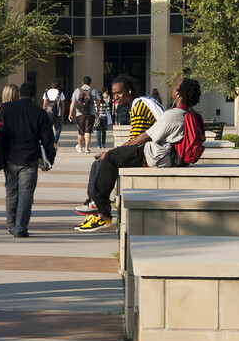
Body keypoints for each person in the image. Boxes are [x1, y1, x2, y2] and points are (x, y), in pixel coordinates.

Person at [76, 77, 202, 232]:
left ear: (180, 93)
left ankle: (102, 212)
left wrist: (115, 151)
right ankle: (98, 204)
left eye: (175, 88)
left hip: (153, 155)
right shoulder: (187, 112)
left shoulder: (173, 115)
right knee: (111, 157)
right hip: (164, 156)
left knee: (110, 159)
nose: (172, 90)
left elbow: (145, 136)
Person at [74, 75, 159, 215]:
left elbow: (136, 141)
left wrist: (111, 153)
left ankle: (96, 204)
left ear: (129, 91)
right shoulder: (140, 103)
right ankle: (95, 203)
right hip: (149, 149)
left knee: (102, 162)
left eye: (119, 93)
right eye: (114, 94)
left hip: (150, 153)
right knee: (103, 160)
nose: (116, 97)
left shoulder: (138, 106)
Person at [0, 82, 56, 238]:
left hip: (9, 158)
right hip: (29, 159)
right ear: (35, 95)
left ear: (19, 94)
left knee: (11, 192)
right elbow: (48, 141)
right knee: (26, 195)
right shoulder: (39, 113)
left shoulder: (6, 109)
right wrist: (49, 160)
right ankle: (20, 227)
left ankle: (11, 225)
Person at [70, 76, 96, 154]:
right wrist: (97, 112)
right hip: (90, 113)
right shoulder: (93, 90)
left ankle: (80, 147)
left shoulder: (77, 90)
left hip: (79, 113)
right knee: (88, 130)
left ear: (82, 82)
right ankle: (87, 148)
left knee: (81, 131)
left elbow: (73, 102)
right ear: (90, 82)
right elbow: (98, 101)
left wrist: (70, 113)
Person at [41, 80, 65, 144]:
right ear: (59, 86)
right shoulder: (60, 93)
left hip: (47, 113)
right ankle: (54, 142)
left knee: (48, 128)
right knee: (58, 129)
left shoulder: (46, 93)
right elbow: (63, 105)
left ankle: (48, 141)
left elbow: (44, 105)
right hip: (57, 114)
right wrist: (62, 116)